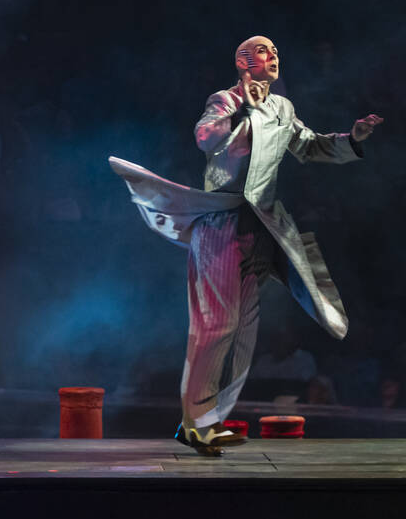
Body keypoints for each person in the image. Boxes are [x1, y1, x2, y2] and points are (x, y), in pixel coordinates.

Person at [109, 36, 384, 455]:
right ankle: (195, 423)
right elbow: (206, 137)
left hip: (262, 226)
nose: (273, 56)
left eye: (275, 52)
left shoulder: (283, 108)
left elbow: (310, 146)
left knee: (242, 330)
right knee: (215, 324)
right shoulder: (225, 99)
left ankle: (210, 420)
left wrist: (353, 139)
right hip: (222, 221)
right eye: (262, 51)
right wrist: (244, 109)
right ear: (242, 63)